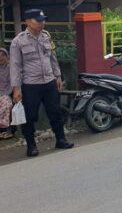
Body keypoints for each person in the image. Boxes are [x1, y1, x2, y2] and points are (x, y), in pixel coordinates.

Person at [10, 9, 74, 157]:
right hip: (31, 85)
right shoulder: (18, 41)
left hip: (49, 82)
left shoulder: (46, 36)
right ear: (27, 21)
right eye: (38, 20)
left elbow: (52, 57)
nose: (42, 23)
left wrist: (57, 76)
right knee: (30, 116)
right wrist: (16, 88)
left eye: (43, 20)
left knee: (55, 112)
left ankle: (61, 139)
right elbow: (15, 66)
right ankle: (31, 146)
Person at [0, 48, 14, 140]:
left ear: (6, 56)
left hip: (8, 93)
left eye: (1, 58)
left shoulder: (11, 68)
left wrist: (6, 93)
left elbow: (13, 84)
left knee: (5, 103)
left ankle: (4, 129)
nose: (0, 61)